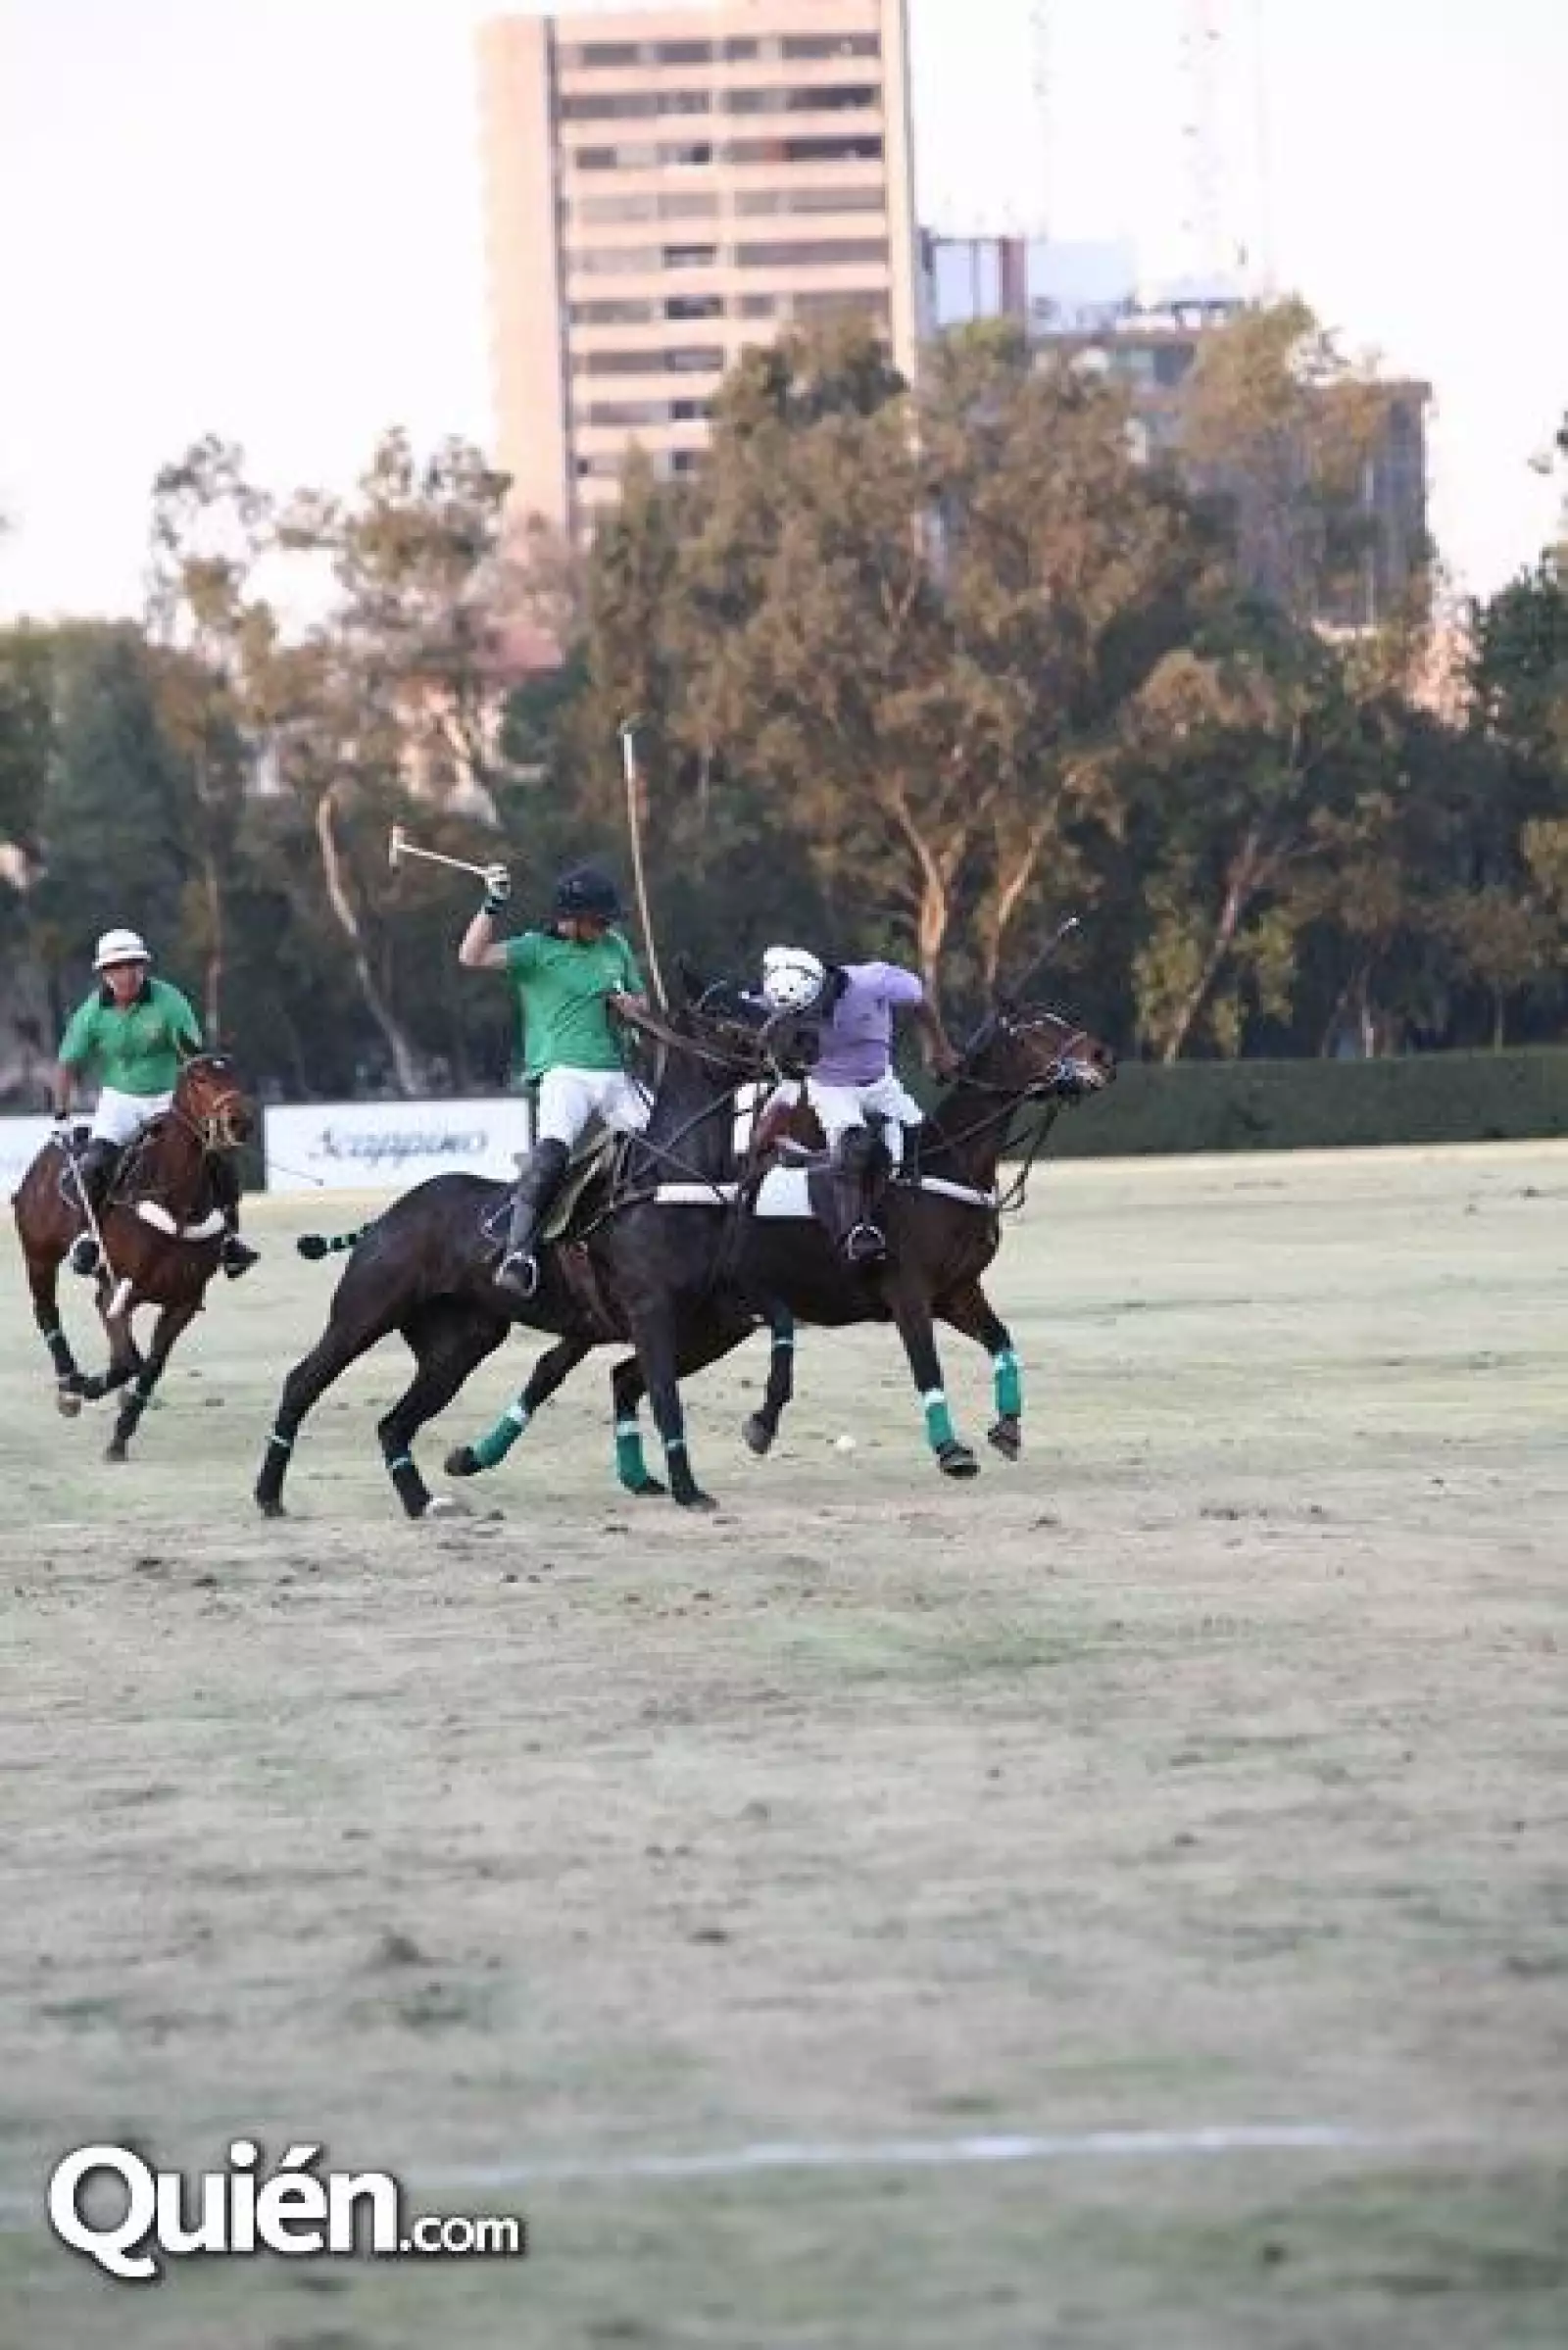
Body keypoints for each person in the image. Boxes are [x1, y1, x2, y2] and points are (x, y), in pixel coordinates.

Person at [459, 860, 650, 1297]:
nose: (605, 927)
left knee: (660, 1146)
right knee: (551, 1156)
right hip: (564, 1074)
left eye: (608, 920)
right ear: (571, 919)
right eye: (598, 920)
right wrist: (493, 903)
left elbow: (641, 1000)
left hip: (616, 1073)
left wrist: (630, 1008)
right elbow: (471, 956)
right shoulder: (534, 951)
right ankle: (518, 1253)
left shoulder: (614, 945)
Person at [52, 926, 258, 1280]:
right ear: (105, 973)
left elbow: (192, 1057)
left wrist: (204, 1102)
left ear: (143, 967)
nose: (126, 974)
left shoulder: (169, 1001)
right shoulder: (91, 1013)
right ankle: (88, 1238)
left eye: (133, 965)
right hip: (119, 1101)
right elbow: (67, 1064)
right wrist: (61, 1114)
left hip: (169, 1097)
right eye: (117, 967)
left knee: (216, 1157)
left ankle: (230, 1240)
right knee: (94, 1164)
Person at [757, 946, 958, 1262]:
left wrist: (940, 1049)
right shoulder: (788, 1004)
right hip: (831, 1088)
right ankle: (855, 1232)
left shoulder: (872, 981)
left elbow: (919, 1002)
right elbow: (771, 1042)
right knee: (853, 1147)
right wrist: (781, 1051)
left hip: (881, 1082)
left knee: (927, 1140)